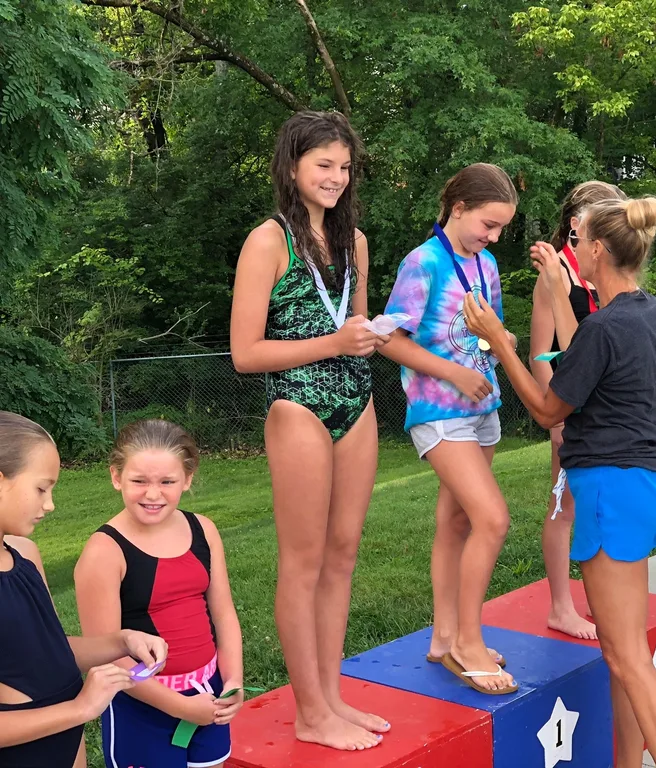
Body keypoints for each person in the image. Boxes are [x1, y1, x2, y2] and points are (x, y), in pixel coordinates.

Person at [463, 195, 656, 767]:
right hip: (639, 486)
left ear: (598, 250)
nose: (574, 250)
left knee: (628, 660)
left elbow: (546, 408)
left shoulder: (607, 328)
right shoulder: (645, 312)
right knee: (626, 654)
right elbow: (587, 349)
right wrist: (558, 293)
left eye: (580, 241)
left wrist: (497, 340)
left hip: (607, 491)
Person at [230, 111, 389, 748]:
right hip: (296, 405)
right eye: (324, 164)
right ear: (292, 166)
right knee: (303, 561)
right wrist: (333, 339)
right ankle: (309, 711)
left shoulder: (356, 242)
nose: (335, 177)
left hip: (356, 403)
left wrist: (367, 339)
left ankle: (331, 696)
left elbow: (353, 330)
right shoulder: (267, 240)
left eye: (345, 166)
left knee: (343, 553)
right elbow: (245, 353)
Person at [379, 163, 519, 694]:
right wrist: (454, 371)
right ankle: (468, 641)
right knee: (494, 520)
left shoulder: (485, 263)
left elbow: (489, 330)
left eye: (501, 228)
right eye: (488, 223)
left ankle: (443, 637)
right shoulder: (424, 262)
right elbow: (388, 338)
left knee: (457, 522)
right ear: (457, 208)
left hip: (483, 407)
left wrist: (493, 351)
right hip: (439, 412)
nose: (493, 236)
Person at [0, 411, 167, 768]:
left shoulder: (24, 557)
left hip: (67, 743)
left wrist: (123, 642)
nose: (50, 504)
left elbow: (50, 650)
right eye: (41, 488)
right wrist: (80, 707)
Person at [75, 419, 244, 768]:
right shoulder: (104, 551)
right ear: (116, 477)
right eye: (139, 481)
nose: (153, 495)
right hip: (142, 706)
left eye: (167, 482)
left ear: (188, 479)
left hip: (209, 694)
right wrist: (181, 707)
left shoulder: (204, 530)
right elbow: (105, 655)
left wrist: (234, 681)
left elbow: (224, 615)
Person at [530, 180, 626, 641]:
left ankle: (598, 597)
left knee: (600, 504)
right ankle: (560, 606)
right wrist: (556, 418)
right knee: (562, 505)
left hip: (605, 410)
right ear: (576, 224)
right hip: (571, 410)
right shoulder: (555, 277)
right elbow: (539, 354)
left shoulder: (607, 273)